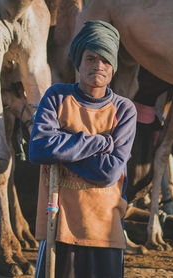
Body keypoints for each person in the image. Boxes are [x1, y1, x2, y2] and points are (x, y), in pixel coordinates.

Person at [29, 20, 137, 278]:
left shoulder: (123, 110)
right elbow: (38, 150)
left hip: (104, 228)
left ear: (113, 69)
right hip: (59, 225)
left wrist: (63, 148)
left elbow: (109, 172)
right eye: (91, 58)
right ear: (79, 62)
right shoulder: (57, 96)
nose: (98, 66)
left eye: (105, 61)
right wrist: (100, 143)